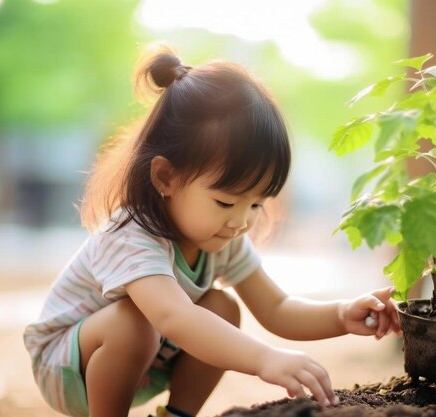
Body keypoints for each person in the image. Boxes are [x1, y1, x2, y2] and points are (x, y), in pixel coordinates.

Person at [23, 44, 401, 417]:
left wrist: (342, 315)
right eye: (225, 202)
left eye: (256, 204)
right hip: (67, 367)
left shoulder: (222, 237)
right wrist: (263, 358)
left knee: (222, 307)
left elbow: (278, 308)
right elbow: (174, 317)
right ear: (166, 177)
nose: (241, 221)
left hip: (146, 357)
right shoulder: (131, 233)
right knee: (134, 322)